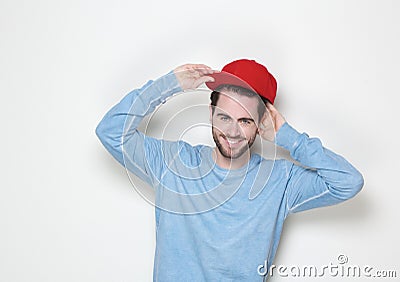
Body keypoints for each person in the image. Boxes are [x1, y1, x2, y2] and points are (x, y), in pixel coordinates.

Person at [96, 59, 364, 281]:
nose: (233, 132)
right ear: (211, 113)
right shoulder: (171, 162)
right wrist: (167, 86)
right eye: (224, 117)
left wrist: (288, 137)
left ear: (261, 124)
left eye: (245, 121)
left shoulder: (279, 181)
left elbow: (348, 182)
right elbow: (110, 132)